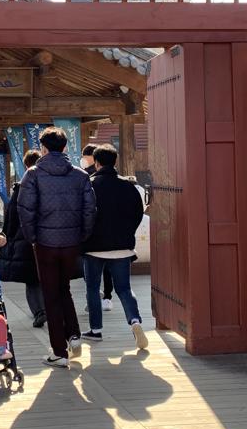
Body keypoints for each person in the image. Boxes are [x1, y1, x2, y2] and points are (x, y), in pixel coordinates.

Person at [18, 126, 96, 368]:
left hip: (44, 243)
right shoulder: (80, 175)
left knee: (51, 295)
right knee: (64, 289)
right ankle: (73, 334)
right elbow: (90, 210)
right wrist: (81, 235)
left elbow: (25, 210)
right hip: (71, 242)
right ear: (64, 147)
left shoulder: (32, 175)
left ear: (43, 148)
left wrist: (33, 237)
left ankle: (59, 351)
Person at [81, 144, 149, 351]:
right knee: (124, 288)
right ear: (115, 161)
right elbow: (138, 213)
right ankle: (135, 321)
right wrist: (127, 233)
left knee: (93, 288)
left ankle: (96, 330)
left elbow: (83, 213)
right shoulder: (128, 186)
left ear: (96, 163)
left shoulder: (89, 185)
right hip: (122, 246)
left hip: (94, 246)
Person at [0, 149, 45, 327]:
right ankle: (52, 309)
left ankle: (39, 311)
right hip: (48, 238)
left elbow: (11, 217)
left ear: (25, 166)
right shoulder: (49, 185)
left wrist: (6, 238)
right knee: (48, 276)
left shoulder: (20, 188)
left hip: (24, 240)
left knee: (31, 279)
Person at [81, 143, 113, 312]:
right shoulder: (114, 176)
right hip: (108, 228)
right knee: (106, 267)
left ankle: (98, 297)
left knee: (92, 268)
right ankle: (105, 297)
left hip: (92, 230)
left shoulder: (86, 177)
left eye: (85, 157)